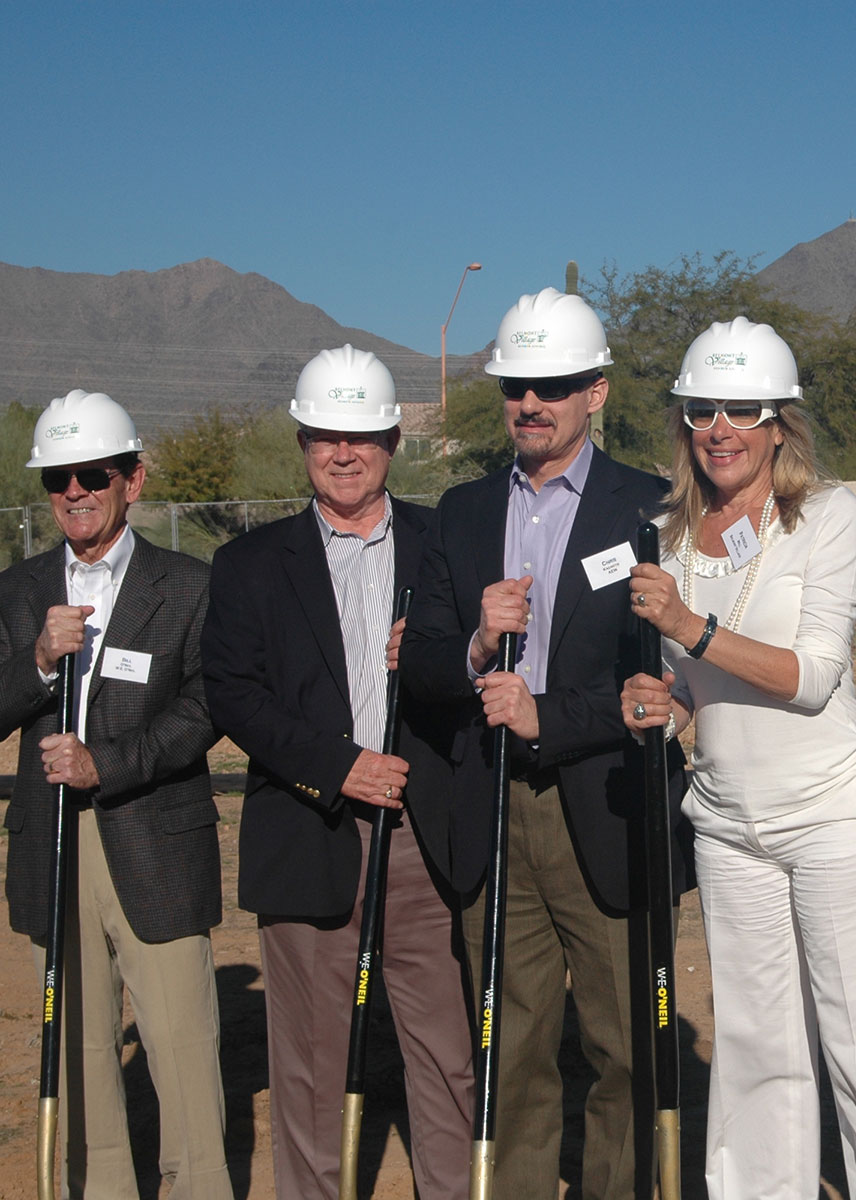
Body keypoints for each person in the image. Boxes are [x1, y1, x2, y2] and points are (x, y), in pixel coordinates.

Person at [622, 317, 856, 1199]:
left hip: (834, 816)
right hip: (727, 824)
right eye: (702, 410)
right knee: (757, 1049)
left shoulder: (825, 516)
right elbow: (697, 687)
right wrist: (662, 704)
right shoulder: (666, 532)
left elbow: (811, 678)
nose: (720, 429)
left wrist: (689, 628)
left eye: (743, 410)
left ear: (778, 424)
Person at [399, 287, 690, 1200]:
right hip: (492, 809)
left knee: (626, 1049)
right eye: (515, 386)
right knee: (512, 1050)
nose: (530, 403)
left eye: (553, 386)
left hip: (607, 806)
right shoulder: (459, 512)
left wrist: (550, 716)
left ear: (594, 392)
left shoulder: (651, 508)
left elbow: (662, 685)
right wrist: (477, 645)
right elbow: (421, 665)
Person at [200, 344, 473, 1200]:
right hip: (308, 829)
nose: (343, 453)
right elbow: (233, 694)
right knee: (312, 1066)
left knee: (447, 1056)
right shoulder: (249, 564)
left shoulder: (445, 546)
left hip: (425, 837)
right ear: (302, 444)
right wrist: (339, 767)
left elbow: (487, 669)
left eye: (360, 436)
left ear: (393, 441)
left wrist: (440, 659)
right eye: (325, 436)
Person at [0, 390, 232, 1199]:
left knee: (182, 1047)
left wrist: (109, 764)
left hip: (154, 838)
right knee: (78, 1051)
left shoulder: (191, 585)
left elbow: (208, 709)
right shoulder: (19, 590)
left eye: (92, 475)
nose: (74, 492)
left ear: (132, 480)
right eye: (57, 479)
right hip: (52, 844)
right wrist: (37, 662)